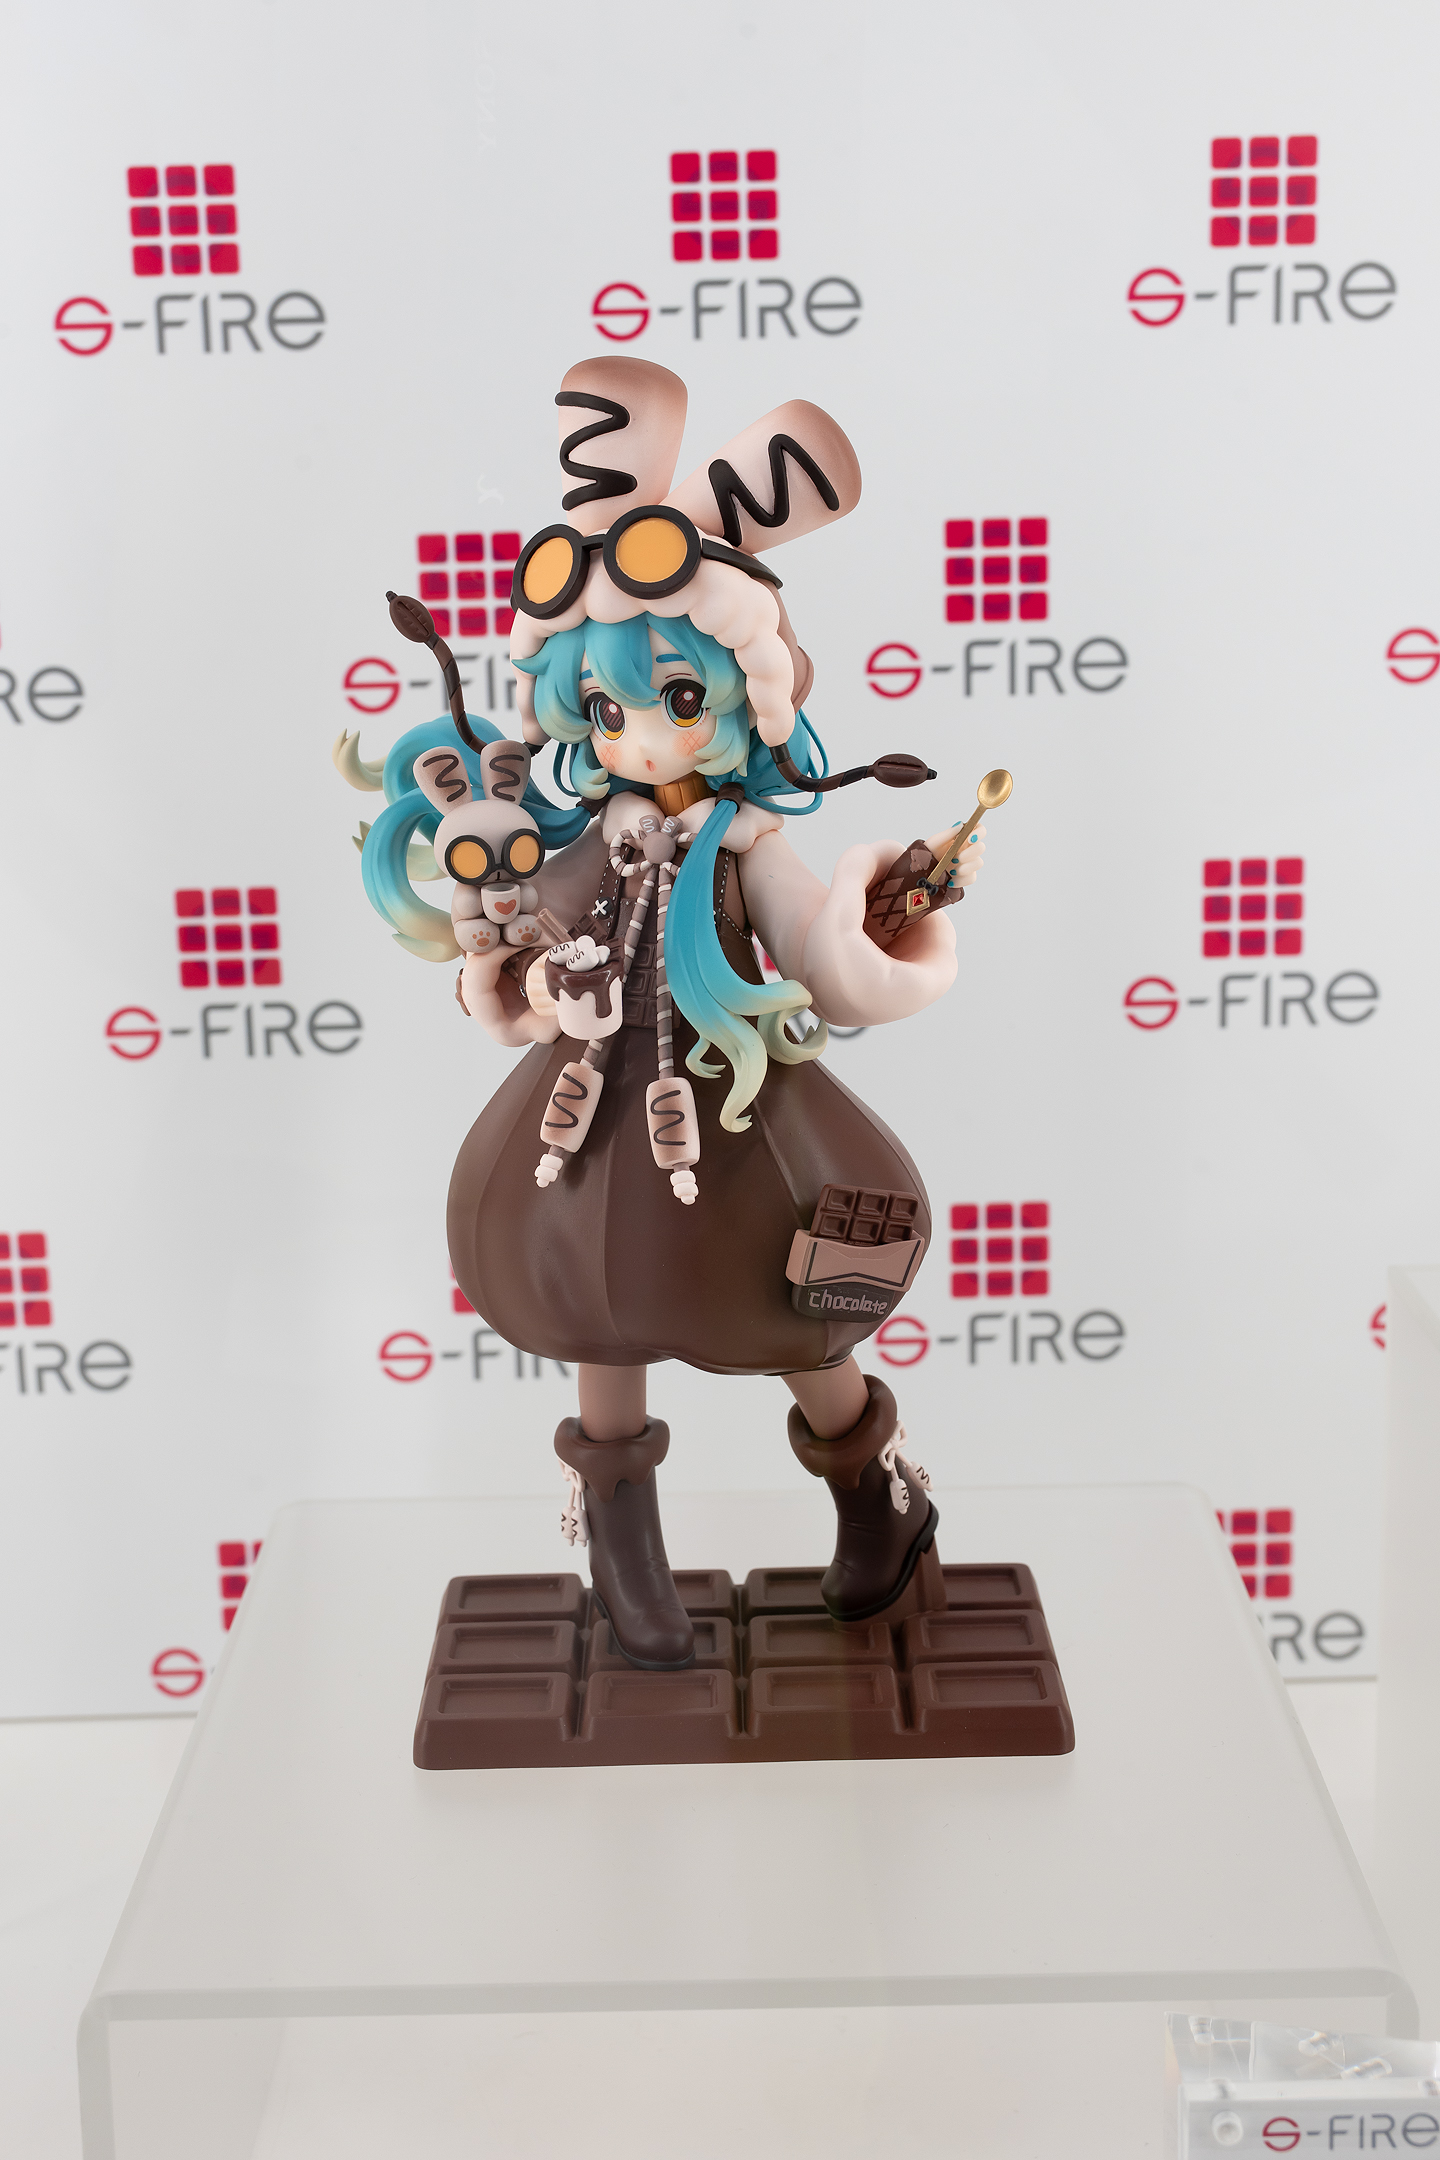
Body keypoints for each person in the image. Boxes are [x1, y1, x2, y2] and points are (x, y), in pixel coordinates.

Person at [335, 358, 985, 1671]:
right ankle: (620, 1536)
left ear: (745, 702)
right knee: (598, 1303)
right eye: (608, 708)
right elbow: (518, 957)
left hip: (740, 1108)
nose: (641, 734)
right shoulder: (583, 838)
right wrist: (510, 955)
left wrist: (877, 925)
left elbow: (832, 963)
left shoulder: (748, 849)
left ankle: (876, 1491)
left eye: (679, 701)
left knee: (794, 1311)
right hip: (592, 1113)